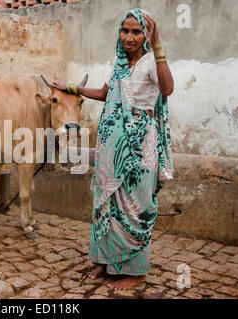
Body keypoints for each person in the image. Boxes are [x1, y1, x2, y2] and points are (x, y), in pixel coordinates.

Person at [49, 8, 174, 290]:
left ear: (147, 35)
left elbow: (167, 89)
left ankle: (136, 270)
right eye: (125, 30)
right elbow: (105, 94)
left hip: (140, 145)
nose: (129, 37)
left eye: (136, 31)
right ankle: (105, 262)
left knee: (135, 205)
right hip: (111, 145)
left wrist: (158, 47)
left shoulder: (152, 63)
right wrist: (69, 87)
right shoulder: (119, 64)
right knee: (106, 204)